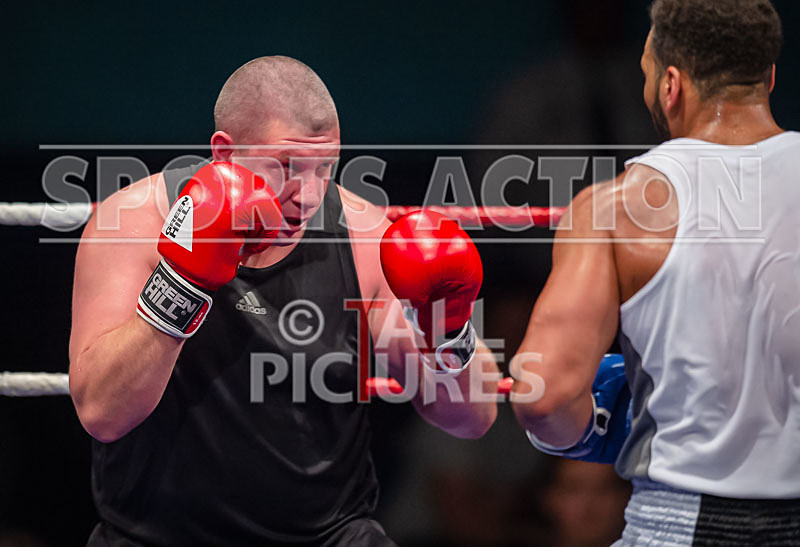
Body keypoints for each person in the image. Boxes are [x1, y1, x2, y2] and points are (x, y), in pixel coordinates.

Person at [68, 56, 499, 546]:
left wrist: (449, 326)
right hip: (154, 537)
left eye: (326, 168)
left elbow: (471, 418)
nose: (308, 194)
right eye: (287, 167)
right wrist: (182, 282)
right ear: (225, 154)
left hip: (329, 537)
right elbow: (102, 413)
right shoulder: (134, 225)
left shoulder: (362, 239)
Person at [509, 0, 800, 544]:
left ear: (671, 85)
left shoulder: (614, 211)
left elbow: (542, 395)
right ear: (770, 79)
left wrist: (589, 428)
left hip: (679, 517)